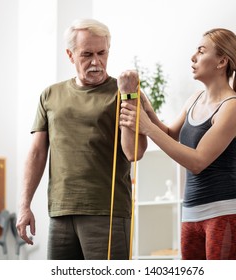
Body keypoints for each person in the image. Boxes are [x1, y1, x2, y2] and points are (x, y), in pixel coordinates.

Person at [16, 18, 147, 260]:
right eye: (87, 54)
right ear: (70, 54)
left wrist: (129, 95)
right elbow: (36, 153)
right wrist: (24, 206)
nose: (96, 62)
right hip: (60, 212)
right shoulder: (50, 95)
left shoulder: (125, 91)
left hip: (107, 212)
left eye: (102, 53)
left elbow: (135, 153)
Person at [119, 28, 236, 260]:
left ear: (222, 61)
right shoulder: (194, 99)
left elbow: (198, 161)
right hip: (190, 214)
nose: (193, 57)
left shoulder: (233, 106)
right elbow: (170, 135)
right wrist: (147, 108)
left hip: (225, 213)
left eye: (201, 51)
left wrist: (147, 126)